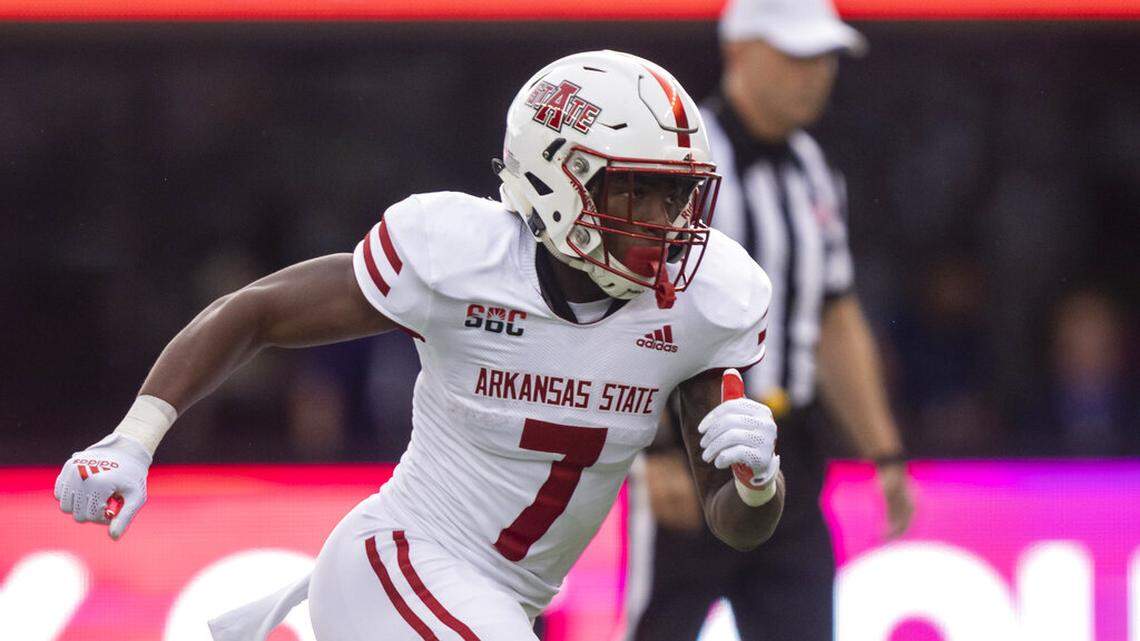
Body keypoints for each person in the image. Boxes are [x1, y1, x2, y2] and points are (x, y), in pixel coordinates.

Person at [53, 50, 785, 641]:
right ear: (555, 179)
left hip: (495, 601)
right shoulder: (460, 258)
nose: (664, 221)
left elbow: (736, 523)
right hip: (399, 560)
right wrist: (135, 437)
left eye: (676, 195)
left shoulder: (704, 300)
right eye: (638, 190)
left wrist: (759, 482)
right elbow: (257, 311)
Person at [623, 1, 914, 640]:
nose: (816, 75)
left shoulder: (813, 168)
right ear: (738, 50)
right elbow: (633, 306)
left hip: (793, 456)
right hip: (695, 448)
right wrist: (655, 450)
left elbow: (833, 314)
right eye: (796, 56)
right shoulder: (678, 162)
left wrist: (883, 451)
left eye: (824, 58)